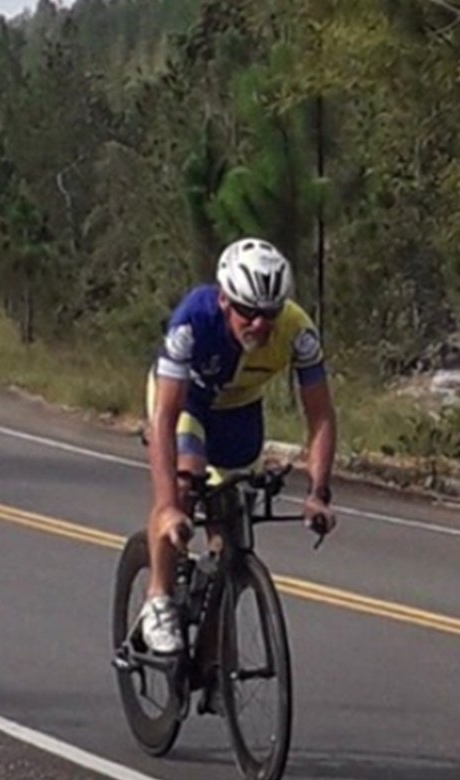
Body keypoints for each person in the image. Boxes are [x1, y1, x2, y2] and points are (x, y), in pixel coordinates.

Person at [140, 237, 337, 655]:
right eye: (248, 311)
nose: (260, 325)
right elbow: (164, 419)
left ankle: (215, 627)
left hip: (239, 412)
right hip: (186, 401)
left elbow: (320, 416)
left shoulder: (299, 331)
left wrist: (318, 493)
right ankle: (157, 597)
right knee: (185, 478)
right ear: (226, 301)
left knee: (230, 528)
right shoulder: (193, 319)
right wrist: (170, 504)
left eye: (270, 312)